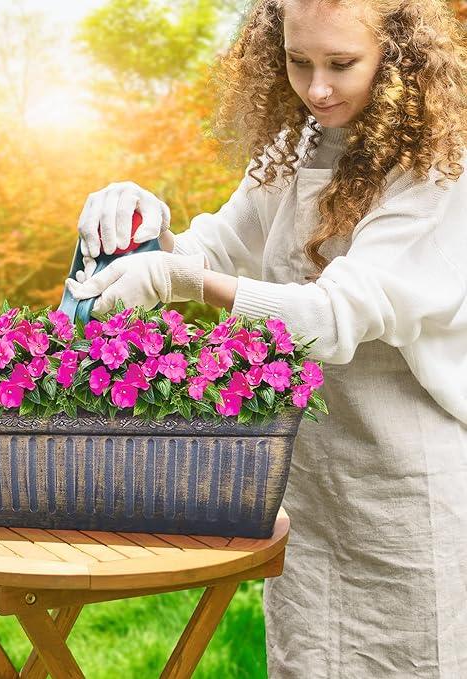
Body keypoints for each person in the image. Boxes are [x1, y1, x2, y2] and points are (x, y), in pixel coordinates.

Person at [66, 0, 467, 675]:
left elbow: (335, 315)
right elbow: (215, 251)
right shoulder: (298, 144)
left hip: (404, 494)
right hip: (309, 482)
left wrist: (180, 277)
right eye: (296, 60)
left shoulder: (435, 168)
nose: (315, 88)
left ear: (397, 56)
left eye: (342, 64)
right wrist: (141, 223)